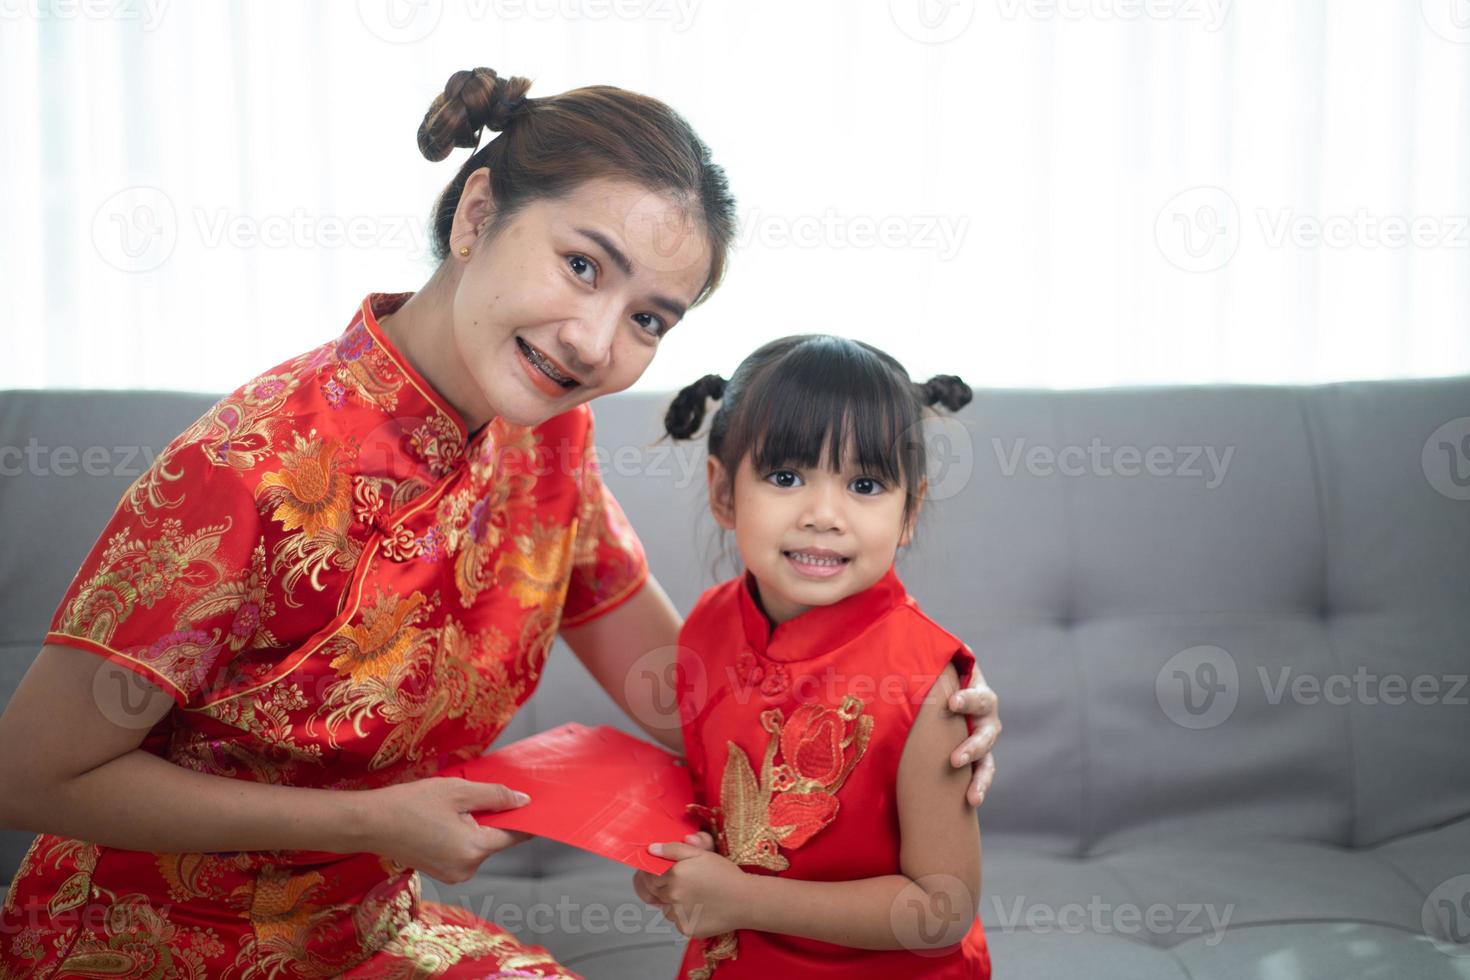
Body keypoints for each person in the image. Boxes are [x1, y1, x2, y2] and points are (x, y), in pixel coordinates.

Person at [0, 68, 1001, 978]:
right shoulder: (249, 465)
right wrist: (370, 822)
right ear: (479, 212)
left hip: (371, 934)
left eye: (651, 318)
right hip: (147, 939)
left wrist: (916, 705)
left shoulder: (549, 444)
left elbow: (689, 698)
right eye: (583, 266)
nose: (597, 343)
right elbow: (30, 772)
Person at [633, 335, 990, 978]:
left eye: (864, 483)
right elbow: (710, 804)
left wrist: (741, 896)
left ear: (909, 510)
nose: (824, 515)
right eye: (786, 477)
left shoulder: (926, 688)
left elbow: (944, 910)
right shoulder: (708, 626)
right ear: (723, 492)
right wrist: (677, 863)